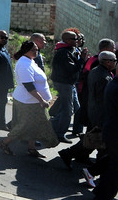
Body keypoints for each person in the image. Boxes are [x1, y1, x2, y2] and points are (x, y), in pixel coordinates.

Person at [0, 41, 57, 157]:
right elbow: (29, 86)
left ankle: (31, 148)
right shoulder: (24, 64)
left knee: (35, 125)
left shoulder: (30, 61)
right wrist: (42, 100)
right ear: (26, 51)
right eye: (33, 50)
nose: (36, 51)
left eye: (37, 49)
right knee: (24, 126)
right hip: (28, 102)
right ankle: (4, 143)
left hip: (33, 101)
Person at [50, 30, 89, 143]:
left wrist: (82, 58)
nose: (77, 41)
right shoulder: (63, 52)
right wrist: (81, 59)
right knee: (68, 110)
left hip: (70, 84)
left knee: (77, 108)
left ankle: (50, 125)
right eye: (74, 39)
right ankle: (59, 134)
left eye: (77, 39)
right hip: (64, 84)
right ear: (67, 40)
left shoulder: (71, 49)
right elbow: (71, 69)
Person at [92, 71, 118, 199]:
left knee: (113, 162)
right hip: (114, 131)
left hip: (111, 129)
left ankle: (100, 188)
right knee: (114, 168)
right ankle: (103, 195)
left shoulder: (114, 83)